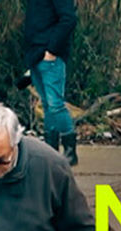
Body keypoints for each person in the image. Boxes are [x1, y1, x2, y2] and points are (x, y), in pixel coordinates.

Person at [23, 0, 78, 165]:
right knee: (47, 104)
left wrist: (52, 50)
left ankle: (70, 151)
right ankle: (50, 150)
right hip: (35, 54)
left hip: (51, 57)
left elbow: (69, 19)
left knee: (55, 104)